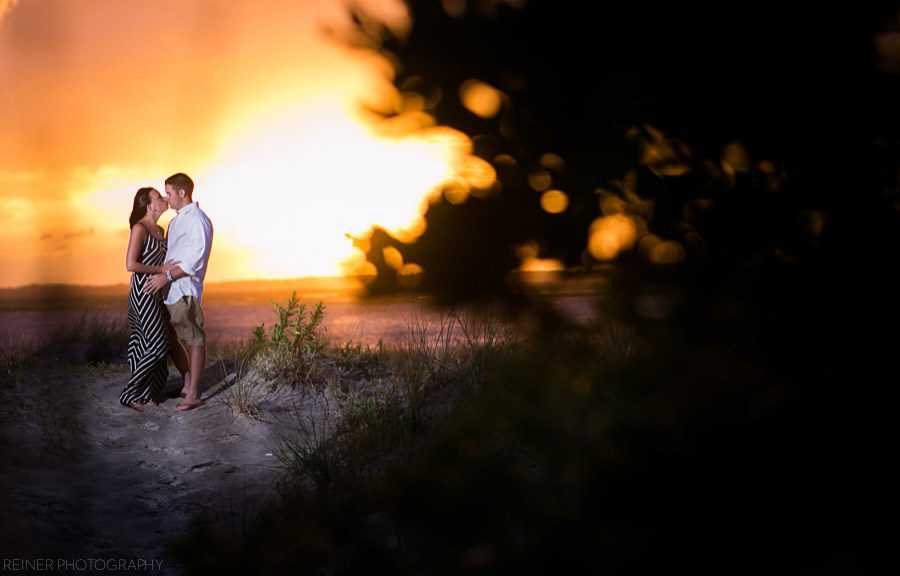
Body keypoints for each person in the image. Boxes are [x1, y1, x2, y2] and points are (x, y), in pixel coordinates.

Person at [144, 172, 214, 411]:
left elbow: (195, 259)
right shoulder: (175, 222)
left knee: (194, 339)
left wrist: (167, 276)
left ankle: (193, 394)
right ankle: (187, 382)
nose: (167, 198)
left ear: (182, 193)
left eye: (169, 193)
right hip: (169, 290)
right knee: (170, 339)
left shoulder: (197, 220)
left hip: (185, 289)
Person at [120, 187, 180, 412]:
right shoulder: (140, 228)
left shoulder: (161, 229)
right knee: (157, 343)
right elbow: (130, 265)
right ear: (149, 205)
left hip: (155, 295)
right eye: (159, 197)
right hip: (142, 294)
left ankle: (147, 394)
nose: (165, 199)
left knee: (142, 344)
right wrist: (160, 270)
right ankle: (129, 392)